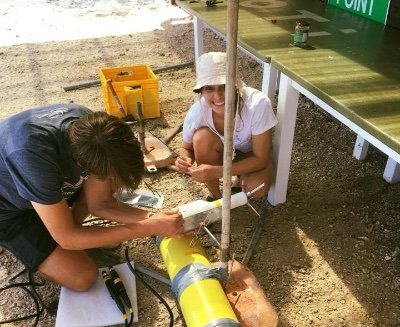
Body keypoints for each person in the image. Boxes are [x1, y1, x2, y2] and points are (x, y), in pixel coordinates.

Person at [0, 104, 183, 291]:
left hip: (44, 184)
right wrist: (147, 228)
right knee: (82, 278)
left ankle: (56, 228)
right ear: (82, 162)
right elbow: (67, 238)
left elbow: (100, 203)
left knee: (73, 232)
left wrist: (158, 220)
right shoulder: (31, 155)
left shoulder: (93, 128)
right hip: (9, 210)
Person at [174, 52, 277, 201]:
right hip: (222, 154)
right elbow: (187, 148)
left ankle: (241, 178)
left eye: (224, 87)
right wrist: (184, 160)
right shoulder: (197, 112)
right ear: (201, 91)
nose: (218, 96)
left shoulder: (257, 105)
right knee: (201, 138)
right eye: (209, 88)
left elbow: (260, 158)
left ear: (236, 86)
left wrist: (218, 171)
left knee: (255, 188)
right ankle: (216, 198)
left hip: (252, 156)